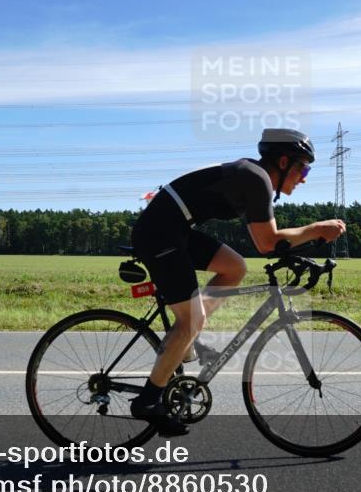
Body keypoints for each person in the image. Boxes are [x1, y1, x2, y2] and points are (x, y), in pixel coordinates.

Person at [129, 128, 346, 435]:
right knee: (192, 320)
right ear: (283, 162)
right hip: (160, 233)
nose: (305, 177)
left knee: (234, 267)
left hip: (174, 228)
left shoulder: (254, 178)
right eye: (304, 167)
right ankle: (148, 401)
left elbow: (269, 242)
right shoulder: (255, 179)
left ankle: (185, 338)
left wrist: (305, 247)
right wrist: (316, 229)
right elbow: (267, 242)